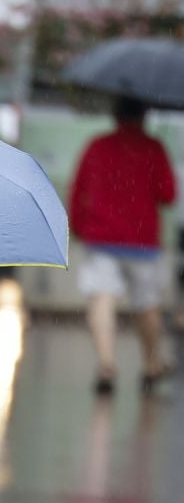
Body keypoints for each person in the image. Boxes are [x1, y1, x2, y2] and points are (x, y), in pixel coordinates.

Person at [69, 96, 177, 394]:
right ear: (144, 116)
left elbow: (78, 189)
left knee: (102, 299)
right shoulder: (154, 148)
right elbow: (168, 195)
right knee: (147, 305)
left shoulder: (97, 146)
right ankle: (151, 364)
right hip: (142, 241)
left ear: (115, 117)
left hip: (101, 237)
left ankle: (106, 364)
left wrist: (78, 226)